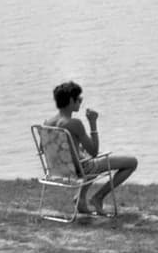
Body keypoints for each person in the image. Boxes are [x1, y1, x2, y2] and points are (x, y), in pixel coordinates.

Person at [44, 81, 139, 216]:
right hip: (81, 169)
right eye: (79, 98)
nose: (81, 101)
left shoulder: (48, 123)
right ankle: (98, 197)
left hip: (60, 169)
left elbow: (50, 149)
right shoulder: (74, 123)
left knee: (86, 158)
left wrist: (77, 150)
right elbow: (94, 152)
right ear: (71, 100)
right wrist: (93, 122)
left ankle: (80, 199)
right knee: (132, 162)